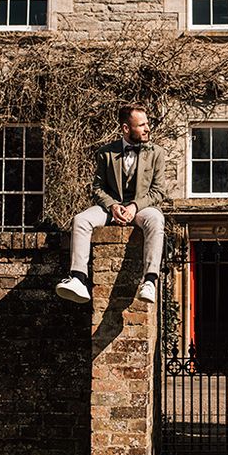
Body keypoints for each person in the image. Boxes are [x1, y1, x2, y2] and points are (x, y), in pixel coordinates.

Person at [55, 103, 166, 305]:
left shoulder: (157, 153)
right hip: (111, 208)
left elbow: (158, 191)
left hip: (142, 208)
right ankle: (78, 278)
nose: (148, 128)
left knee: (157, 219)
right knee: (81, 220)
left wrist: (134, 206)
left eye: (147, 123)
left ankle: (149, 280)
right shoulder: (106, 153)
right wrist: (114, 206)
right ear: (126, 128)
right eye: (142, 125)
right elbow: (97, 188)